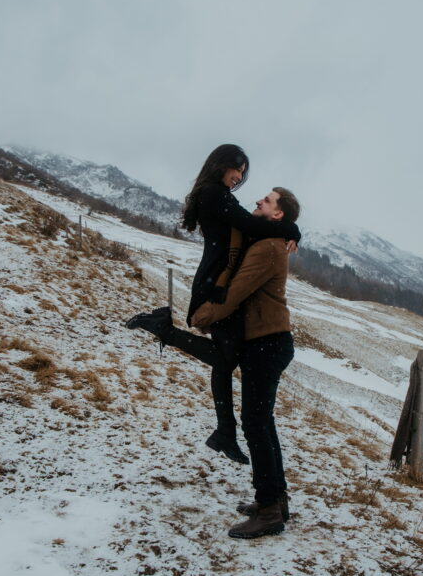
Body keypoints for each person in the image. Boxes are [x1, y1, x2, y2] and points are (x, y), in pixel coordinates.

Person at [124, 144, 300, 466]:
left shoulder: (219, 195)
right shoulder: (212, 194)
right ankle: (163, 328)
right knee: (225, 357)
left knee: (225, 360)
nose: (240, 177)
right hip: (214, 287)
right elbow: (252, 226)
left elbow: (251, 227)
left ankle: (225, 432)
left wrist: (288, 229)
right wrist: (291, 227)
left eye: (244, 173)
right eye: (239, 169)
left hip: (218, 281)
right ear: (223, 164)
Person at [191, 187, 300, 539]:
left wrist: (201, 315)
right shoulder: (268, 238)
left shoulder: (268, 247)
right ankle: (276, 500)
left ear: (279, 214)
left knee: (255, 425)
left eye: (267, 201)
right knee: (262, 423)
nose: (258, 201)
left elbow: (236, 290)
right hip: (267, 342)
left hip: (267, 344)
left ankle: (268, 511)